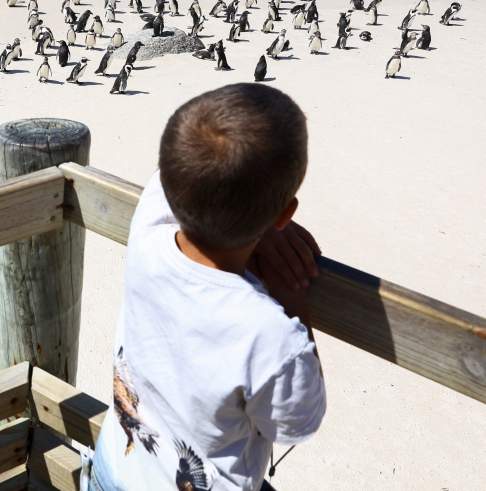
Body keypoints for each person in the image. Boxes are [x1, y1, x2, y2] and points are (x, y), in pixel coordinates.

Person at [91, 84, 326, 491]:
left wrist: (257, 223)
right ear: (285, 214)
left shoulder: (148, 226)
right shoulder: (268, 335)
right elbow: (298, 421)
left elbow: (173, 177)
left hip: (116, 468)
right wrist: (293, 301)